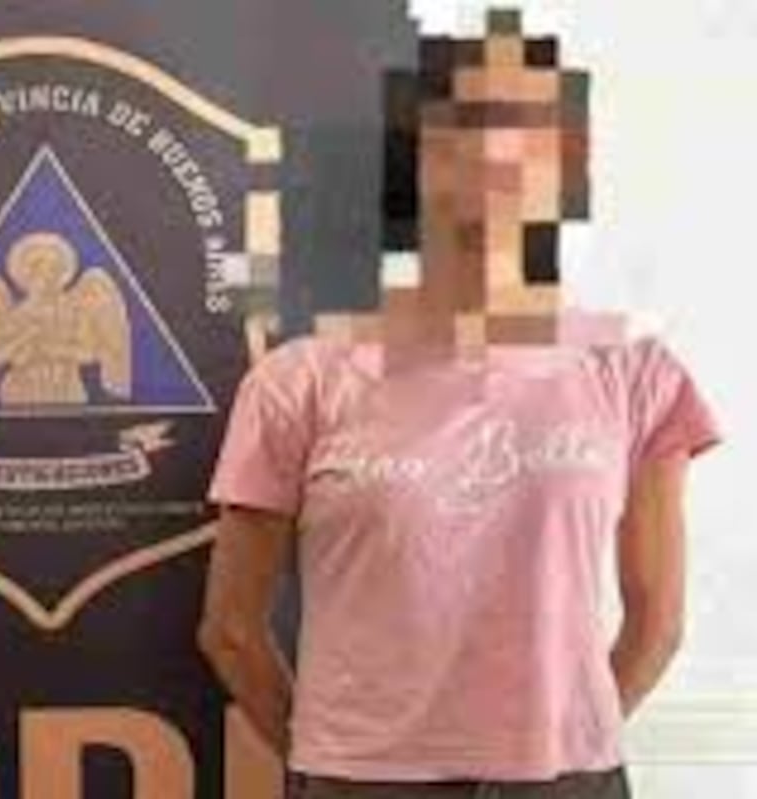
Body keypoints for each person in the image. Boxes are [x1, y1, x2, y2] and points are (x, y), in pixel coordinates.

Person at [198, 10, 719, 799]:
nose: (493, 163)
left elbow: (658, 622)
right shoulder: (298, 381)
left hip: (566, 781)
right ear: (414, 165)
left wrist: (566, 739)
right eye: (463, 135)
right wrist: (333, 761)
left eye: (524, 137)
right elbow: (230, 630)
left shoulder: (637, 375)